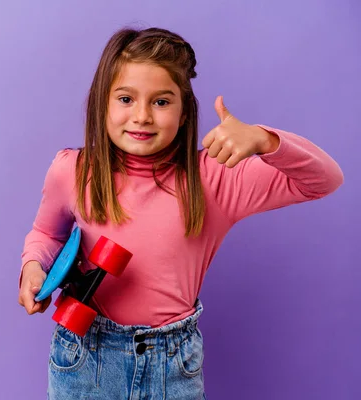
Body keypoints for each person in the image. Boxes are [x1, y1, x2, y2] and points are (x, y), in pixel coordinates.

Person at [17, 27, 344, 399]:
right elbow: (47, 234)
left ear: (185, 112)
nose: (142, 116)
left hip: (172, 364)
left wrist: (266, 140)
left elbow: (325, 180)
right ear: (102, 104)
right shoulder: (73, 170)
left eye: (161, 102)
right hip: (83, 355)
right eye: (125, 98)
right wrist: (34, 266)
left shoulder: (217, 177)